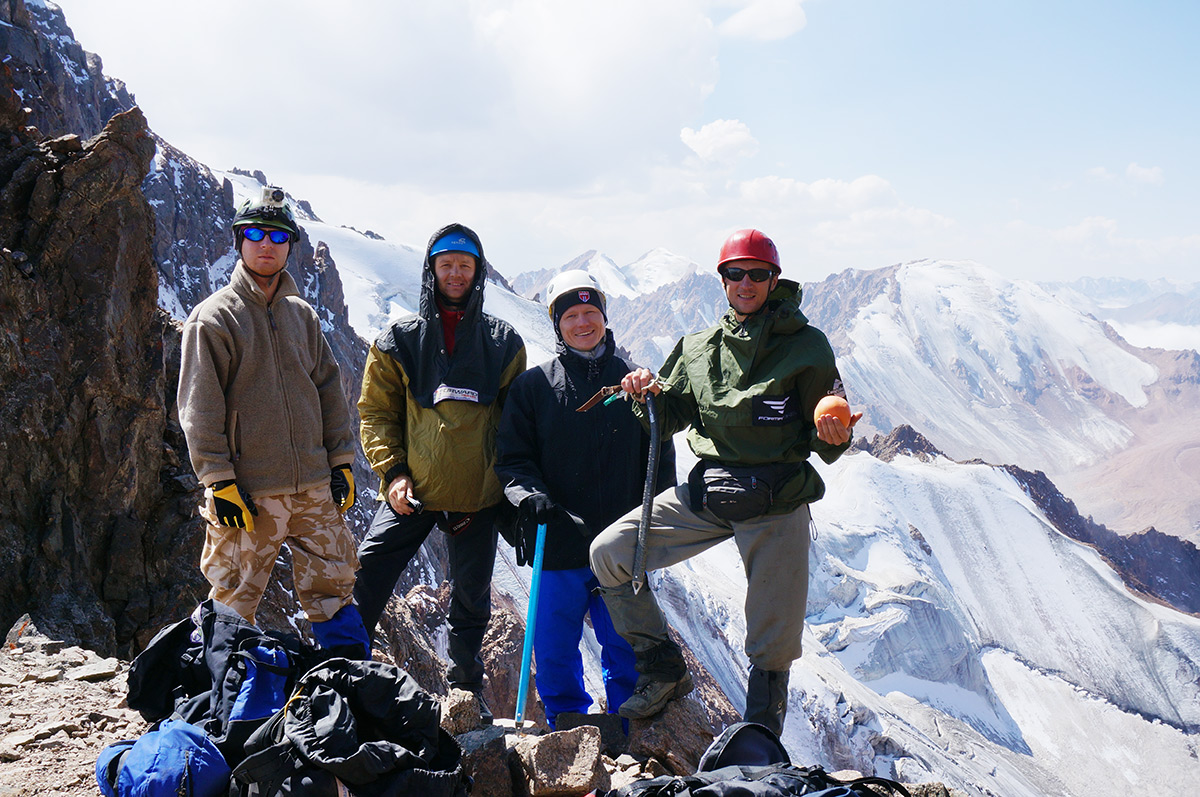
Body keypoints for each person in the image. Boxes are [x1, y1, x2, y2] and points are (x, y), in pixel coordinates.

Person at [589, 228, 859, 735]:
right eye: (736, 273)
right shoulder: (698, 349)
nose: (746, 283)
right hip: (712, 490)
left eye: (758, 274)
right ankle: (662, 668)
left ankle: (760, 741)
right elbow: (667, 417)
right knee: (611, 553)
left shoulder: (808, 348)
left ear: (774, 280)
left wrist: (835, 433)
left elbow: (827, 430)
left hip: (779, 499)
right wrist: (643, 393)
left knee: (773, 638)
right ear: (723, 280)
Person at [178, 186, 369, 656]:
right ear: (239, 240)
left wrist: (341, 461)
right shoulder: (214, 318)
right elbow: (199, 407)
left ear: (290, 246)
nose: (267, 244)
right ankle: (216, 688)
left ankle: (351, 679)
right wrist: (219, 480)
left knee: (334, 585)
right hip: (250, 492)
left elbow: (328, 390)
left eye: (279, 236)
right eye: (256, 234)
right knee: (233, 596)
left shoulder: (302, 315)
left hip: (314, 486)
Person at [355, 223, 526, 722]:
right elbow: (376, 413)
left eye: (464, 265)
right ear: (431, 269)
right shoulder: (399, 341)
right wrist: (393, 473)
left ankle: (465, 693)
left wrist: (513, 489)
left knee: (471, 598)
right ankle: (344, 667)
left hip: (479, 494)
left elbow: (516, 422)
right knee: (368, 570)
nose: (455, 273)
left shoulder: (504, 343)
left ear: (478, 272)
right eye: (446, 264)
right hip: (413, 490)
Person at [495, 270, 676, 729]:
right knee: (554, 645)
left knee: (625, 643)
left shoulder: (634, 387)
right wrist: (529, 496)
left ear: (604, 317)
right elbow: (513, 459)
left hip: (622, 545)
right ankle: (566, 727)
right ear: (557, 324)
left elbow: (660, 456)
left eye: (590, 312)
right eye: (571, 315)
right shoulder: (533, 389)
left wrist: (657, 522)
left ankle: (627, 729)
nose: (582, 323)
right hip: (559, 539)